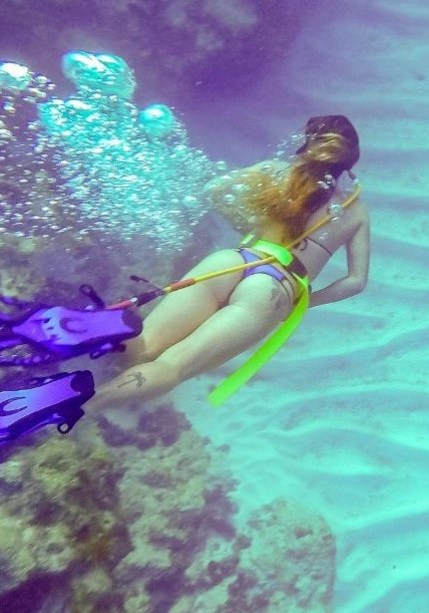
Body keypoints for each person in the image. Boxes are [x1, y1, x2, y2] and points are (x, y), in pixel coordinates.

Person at [98, 115, 371, 407]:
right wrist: (303, 303)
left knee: (143, 349)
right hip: (276, 288)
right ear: (349, 160)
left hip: (233, 261)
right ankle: (86, 403)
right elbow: (355, 282)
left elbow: (213, 190)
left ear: (306, 141)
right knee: (171, 367)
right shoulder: (354, 211)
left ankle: (107, 327)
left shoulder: (275, 170)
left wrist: (245, 225)